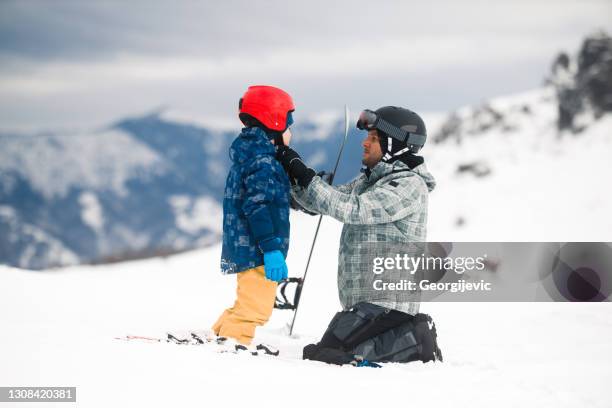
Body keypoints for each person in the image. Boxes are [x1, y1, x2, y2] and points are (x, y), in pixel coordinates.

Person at [277, 106, 443, 365]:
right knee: (323, 352)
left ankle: (416, 340)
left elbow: (352, 209)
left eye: (374, 138)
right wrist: (292, 180)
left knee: (329, 355)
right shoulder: (371, 181)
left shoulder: (409, 185)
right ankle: (403, 339)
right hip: (366, 304)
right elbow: (328, 200)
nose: (365, 143)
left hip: (388, 304)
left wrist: (307, 177)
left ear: (394, 145)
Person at [211, 85, 294, 350]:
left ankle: (222, 333)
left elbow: (264, 196)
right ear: (275, 122)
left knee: (248, 300)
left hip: (246, 243)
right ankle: (233, 343)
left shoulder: (252, 156)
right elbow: (257, 205)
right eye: (288, 125)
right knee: (257, 308)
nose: (291, 133)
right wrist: (270, 248)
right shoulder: (264, 163)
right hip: (258, 246)